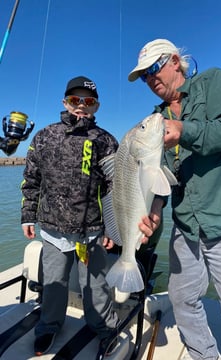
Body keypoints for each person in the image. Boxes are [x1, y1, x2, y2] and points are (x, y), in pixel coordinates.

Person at [128, 39, 221, 360]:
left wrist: (184, 129)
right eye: (144, 77)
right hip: (187, 226)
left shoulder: (214, 81)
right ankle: (204, 355)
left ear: (175, 61)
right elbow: (159, 173)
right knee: (181, 298)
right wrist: (155, 210)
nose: (150, 80)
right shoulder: (155, 119)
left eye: (152, 69)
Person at [21, 76, 119, 356]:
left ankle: (105, 329)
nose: (81, 107)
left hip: (92, 232)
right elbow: (31, 179)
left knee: (96, 288)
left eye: (88, 102)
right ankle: (49, 327)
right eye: (75, 100)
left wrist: (112, 230)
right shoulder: (44, 136)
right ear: (65, 102)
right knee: (53, 286)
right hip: (52, 229)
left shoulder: (106, 140)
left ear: (96, 107)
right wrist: (28, 216)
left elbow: (114, 190)